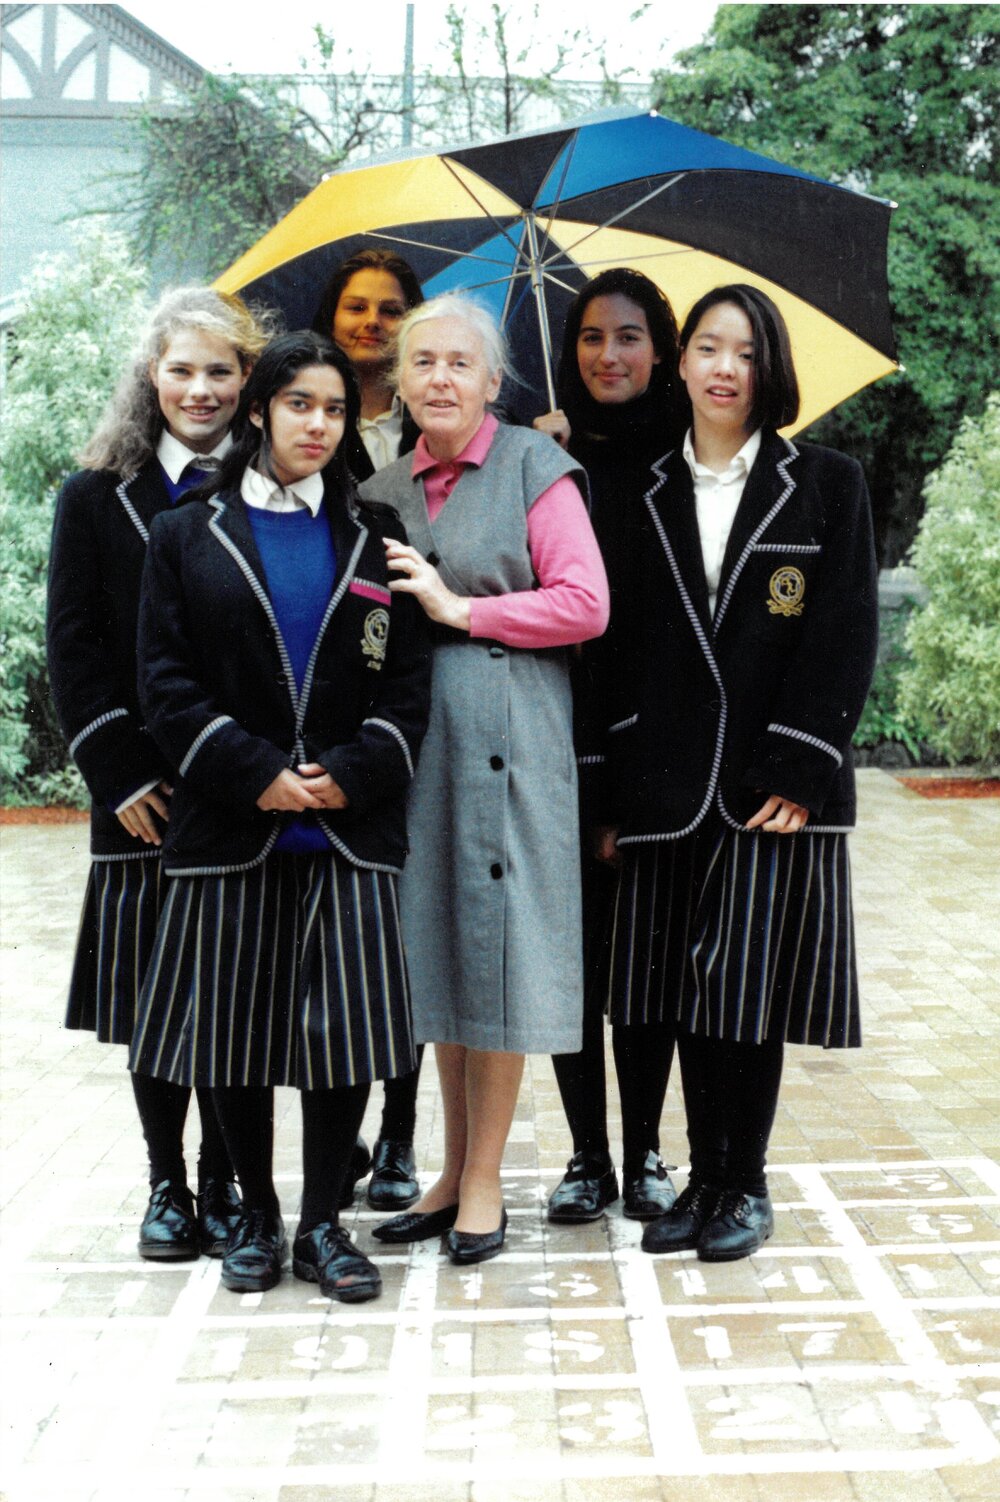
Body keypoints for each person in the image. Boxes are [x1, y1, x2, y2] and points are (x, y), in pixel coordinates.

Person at [130, 331, 431, 1301]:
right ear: (259, 407)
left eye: (335, 409)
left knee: (343, 1037)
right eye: (300, 403)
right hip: (232, 826)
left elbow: (407, 687)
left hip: (346, 829)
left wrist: (351, 771)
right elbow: (163, 686)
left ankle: (320, 1227)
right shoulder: (187, 532)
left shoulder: (374, 532)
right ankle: (253, 1213)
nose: (317, 423)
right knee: (231, 1035)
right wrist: (254, 771)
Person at [597, 284, 878, 1262]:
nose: (724, 367)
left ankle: (741, 1182)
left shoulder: (827, 484)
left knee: (743, 989)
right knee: (676, 991)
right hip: (663, 782)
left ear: (771, 369)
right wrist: (610, 785)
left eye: (745, 351)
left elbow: (843, 632)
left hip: (771, 789)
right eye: (708, 347)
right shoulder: (635, 491)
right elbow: (611, 646)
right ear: (678, 364)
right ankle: (699, 1174)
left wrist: (800, 763)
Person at [359, 292, 610, 1265]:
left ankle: (484, 1181)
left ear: (492, 381)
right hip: (418, 748)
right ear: (400, 380)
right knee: (443, 948)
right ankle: (448, 1167)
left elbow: (585, 603)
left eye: (459, 362)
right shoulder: (381, 487)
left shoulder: (535, 467)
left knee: (498, 949)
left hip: (514, 738)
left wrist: (464, 611)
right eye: (422, 362)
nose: (439, 379)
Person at [47, 287, 271, 1262]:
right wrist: (119, 771)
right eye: (182, 368)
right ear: (152, 375)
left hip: (235, 785)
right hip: (141, 793)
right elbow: (73, 645)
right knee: (153, 998)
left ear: (247, 380)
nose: (200, 387)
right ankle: (167, 1183)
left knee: (231, 995)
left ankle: (226, 1178)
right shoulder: (94, 497)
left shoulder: (274, 492)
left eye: (220, 369)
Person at [533, 268, 687, 1226]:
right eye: (590, 338)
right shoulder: (542, 462)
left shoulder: (689, 460)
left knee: (647, 964)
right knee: (569, 962)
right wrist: (536, 459)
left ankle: (646, 1152)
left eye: (628, 337)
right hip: (554, 739)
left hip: (660, 749)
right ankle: (586, 1155)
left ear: (659, 349)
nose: (607, 356)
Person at [312, 248, 426, 1208]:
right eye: (356, 307)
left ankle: (400, 1134)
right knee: (351, 944)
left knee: (409, 934)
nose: (372, 323)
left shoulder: (441, 421)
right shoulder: (312, 420)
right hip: (337, 713)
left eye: (392, 309)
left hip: (420, 696)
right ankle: (341, 1141)